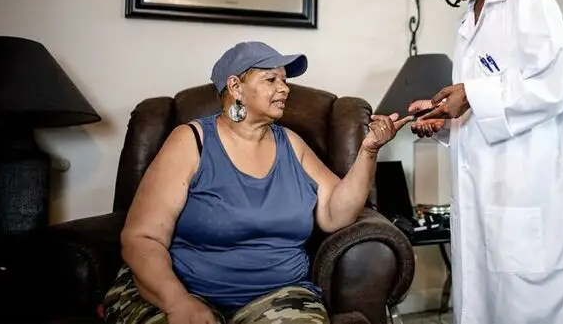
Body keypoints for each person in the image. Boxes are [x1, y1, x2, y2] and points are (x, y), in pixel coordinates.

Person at [103, 41, 411, 324]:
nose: (285, 89)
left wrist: (368, 150)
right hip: (187, 290)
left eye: (285, 80)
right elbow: (142, 237)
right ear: (236, 86)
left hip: (279, 295)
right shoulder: (190, 141)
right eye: (271, 80)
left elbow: (335, 214)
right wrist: (177, 302)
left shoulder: (291, 143)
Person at [403, 0, 563, 324]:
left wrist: (471, 95)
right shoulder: (468, 23)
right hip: (482, 202)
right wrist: (445, 118)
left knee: (530, 310)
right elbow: (482, 106)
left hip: (527, 198)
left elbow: (560, 83)